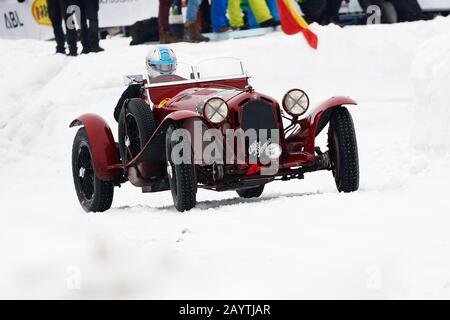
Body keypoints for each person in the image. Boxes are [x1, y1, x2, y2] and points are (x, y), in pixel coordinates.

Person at [114, 46, 178, 122]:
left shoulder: (180, 84)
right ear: (150, 65)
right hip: (149, 129)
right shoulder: (137, 85)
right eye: (161, 66)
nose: (166, 70)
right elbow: (118, 113)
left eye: (169, 66)